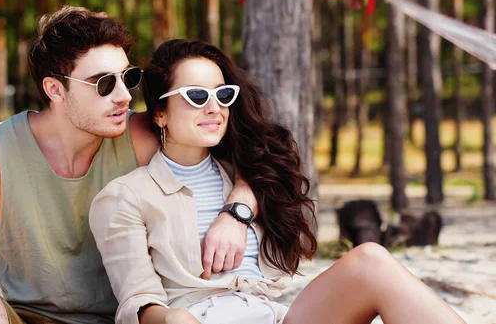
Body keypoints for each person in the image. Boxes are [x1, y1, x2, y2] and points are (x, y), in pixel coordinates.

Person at [0, 7, 258, 324]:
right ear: (55, 90)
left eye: (128, 77)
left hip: (126, 319)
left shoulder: (141, 135)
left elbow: (250, 150)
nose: (124, 95)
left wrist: (237, 212)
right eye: (104, 83)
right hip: (23, 318)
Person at [89, 39, 467, 324]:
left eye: (223, 95)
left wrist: (237, 209)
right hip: (201, 318)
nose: (214, 107)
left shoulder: (247, 178)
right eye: (196, 95)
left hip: (274, 317)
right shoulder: (126, 197)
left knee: (370, 259)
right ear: (159, 113)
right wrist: (173, 319)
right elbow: (137, 302)